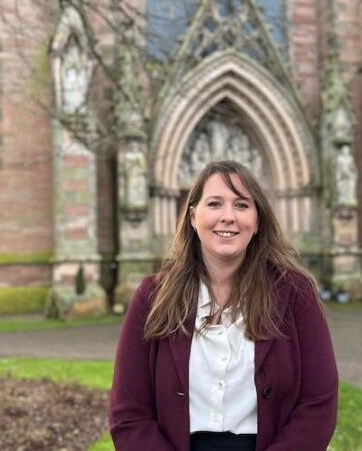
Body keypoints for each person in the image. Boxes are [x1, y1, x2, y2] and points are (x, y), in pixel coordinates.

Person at [109, 160, 338, 451]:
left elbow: (318, 404)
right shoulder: (153, 296)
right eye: (215, 204)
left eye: (242, 205)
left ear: (257, 221)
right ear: (193, 216)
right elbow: (129, 415)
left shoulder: (295, 293)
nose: (228, 217)